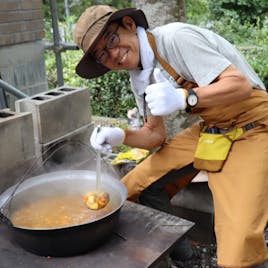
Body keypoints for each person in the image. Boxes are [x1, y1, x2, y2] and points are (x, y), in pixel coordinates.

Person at [73, 5, 268, 268]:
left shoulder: (176, 39)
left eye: (111, 40)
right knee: (137, 186)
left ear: (129, 24)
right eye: (102, 55)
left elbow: (240, 85)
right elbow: (154, 135)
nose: (114, 55)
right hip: (213, 126)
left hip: (255, 125)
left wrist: (184, 97)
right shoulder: (139, 77)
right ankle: (184, 257)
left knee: (240, 239)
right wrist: (120, 136)